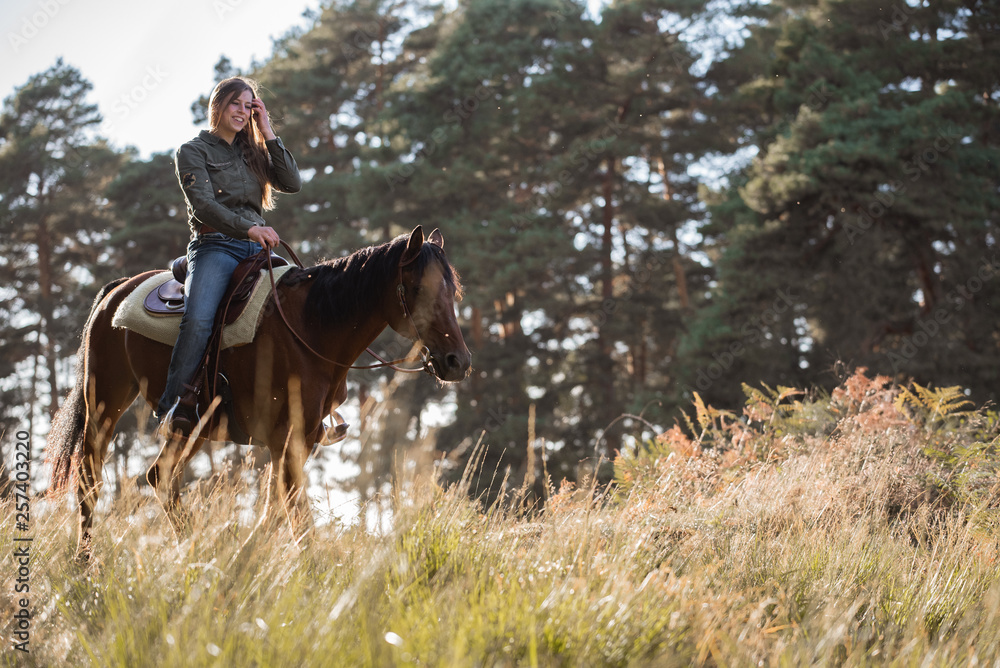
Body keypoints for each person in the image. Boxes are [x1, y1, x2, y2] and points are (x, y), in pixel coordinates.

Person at [157, 76, 301, 436]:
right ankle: (173, 405)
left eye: (249, 105)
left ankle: (315, 408)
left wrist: (267, 130)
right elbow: (204, 206)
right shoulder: (193, 151)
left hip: (259, 249)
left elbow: (292, 182)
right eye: (236, 103)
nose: (242, 111)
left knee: (301, 306)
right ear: (218, 106)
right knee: (199, 320)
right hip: (216, 245)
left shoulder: (253, 150)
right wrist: (249, 228)